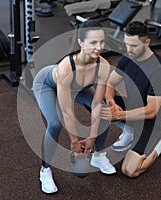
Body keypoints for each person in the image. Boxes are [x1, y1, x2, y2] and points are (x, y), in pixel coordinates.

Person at [32, 20, 116, 194]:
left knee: (104, 111)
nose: (98, 47)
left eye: (101, 42)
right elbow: (67, 111)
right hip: (47, 84)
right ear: (81, 42)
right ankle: (45, 170)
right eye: (93, 42)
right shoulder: (66, 67)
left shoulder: (103, 66)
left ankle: (99, 156)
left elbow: (96, 104)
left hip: (77, 88)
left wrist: (92, 138)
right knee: (54, 124)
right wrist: (75, 142)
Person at [101, 21, 161, 178]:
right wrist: (111, 102)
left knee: (130, 170)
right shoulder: (128, 57)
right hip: (133, 110)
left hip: (153, 121)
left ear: (147, 42)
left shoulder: (159, 70)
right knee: (98, 100)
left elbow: (151, 111)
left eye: (134, 46)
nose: (129, 50)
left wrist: (118, 115)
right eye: (127, 45)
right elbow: (109, 82)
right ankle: (130, 131)